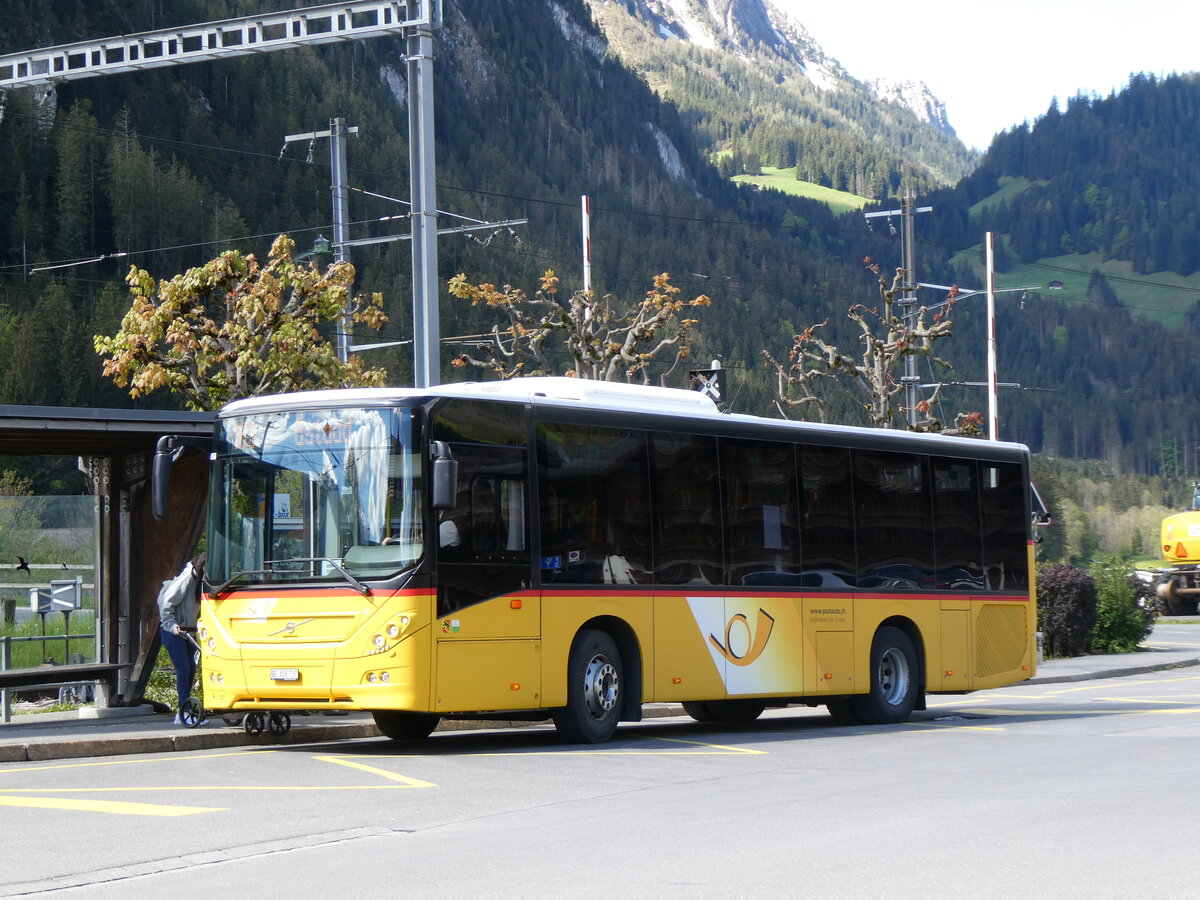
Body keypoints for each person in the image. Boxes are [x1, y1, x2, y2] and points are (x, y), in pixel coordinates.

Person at [157, 552, 205, 725]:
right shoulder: (187, 579)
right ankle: (183, 713)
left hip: (188, 632)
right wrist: (171, 624)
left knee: (191, 669)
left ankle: (186, 709)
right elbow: (165, 603)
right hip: (173, 631)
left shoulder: (201, 582)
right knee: (183, 669)